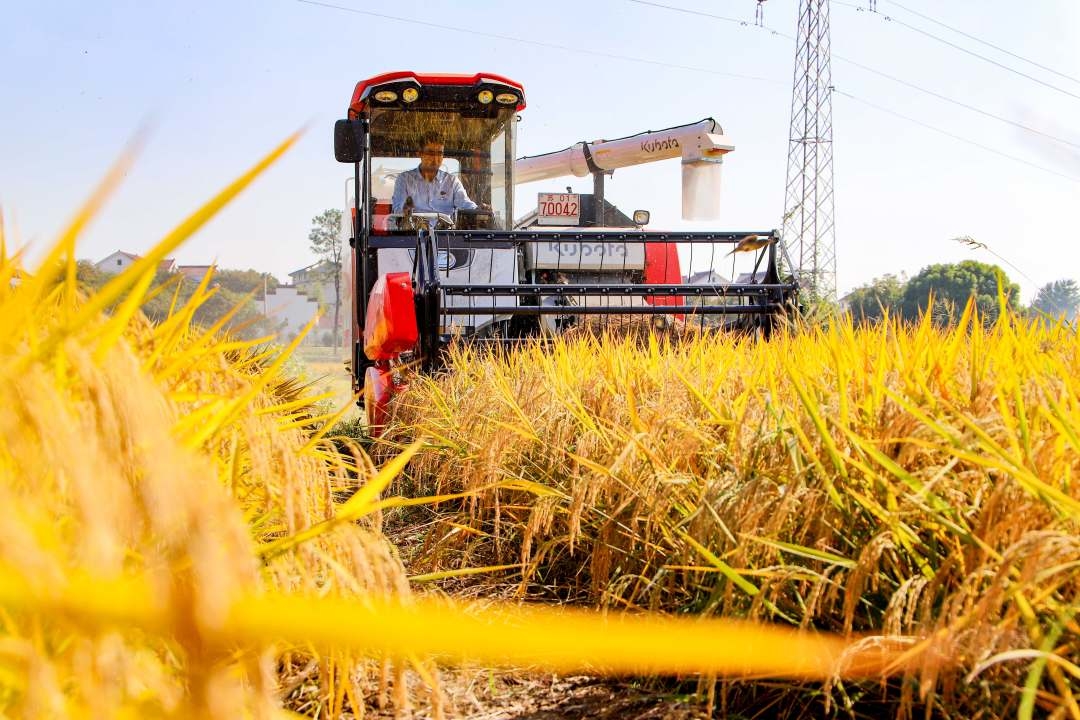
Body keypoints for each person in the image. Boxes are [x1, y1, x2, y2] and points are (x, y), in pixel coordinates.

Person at [391, 134, 477, 216]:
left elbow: (465, 205)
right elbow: (399, 210)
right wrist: (406, 210)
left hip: (445, 231)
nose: (435, 159)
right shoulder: (404, 180)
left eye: (439, 153)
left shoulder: (452, 182)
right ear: (420, 154)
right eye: (430, 153)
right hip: (414, 230)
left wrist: (479, 209)